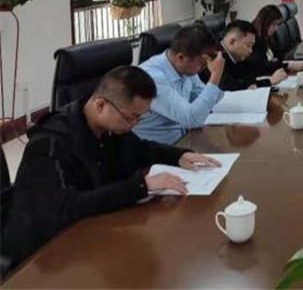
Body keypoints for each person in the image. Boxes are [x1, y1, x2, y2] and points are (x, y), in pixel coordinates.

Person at [1, 66, 220, 273]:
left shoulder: (110, 127)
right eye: (131, 117)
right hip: (41, 258)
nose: (135, 124)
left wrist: (179, 156)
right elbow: (65, 208)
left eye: (140, 117)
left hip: (90, 232)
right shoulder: (50, 142)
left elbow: (140, 149)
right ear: (100, 106)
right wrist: (141, 186)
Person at [134, 23, 225, 144]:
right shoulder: (153, 78)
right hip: (158, 149)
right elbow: (191, 119)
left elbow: (211, 100)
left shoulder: (184, 69)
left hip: (183, 141)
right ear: (181, 57)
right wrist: (215, 76)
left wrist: (214, 77)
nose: (204, 68)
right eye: (202, 64)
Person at [216, 20, 284, 90]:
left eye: (252, 46)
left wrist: (285, 66)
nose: (250, 51)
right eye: (248, 45)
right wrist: (270, 81)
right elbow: (230, 86)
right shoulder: (215, 56)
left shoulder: (233, 56)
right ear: (232, 42)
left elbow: (254, 68)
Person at [250, 5, 303, 83]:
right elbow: (262, 66)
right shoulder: (253, 39)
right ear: (265, 23)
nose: (276, 28)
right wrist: (287, 65)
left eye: (277, 25)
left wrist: (279, 63)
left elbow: (277, 57)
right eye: (273, 25)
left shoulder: (268, 36)